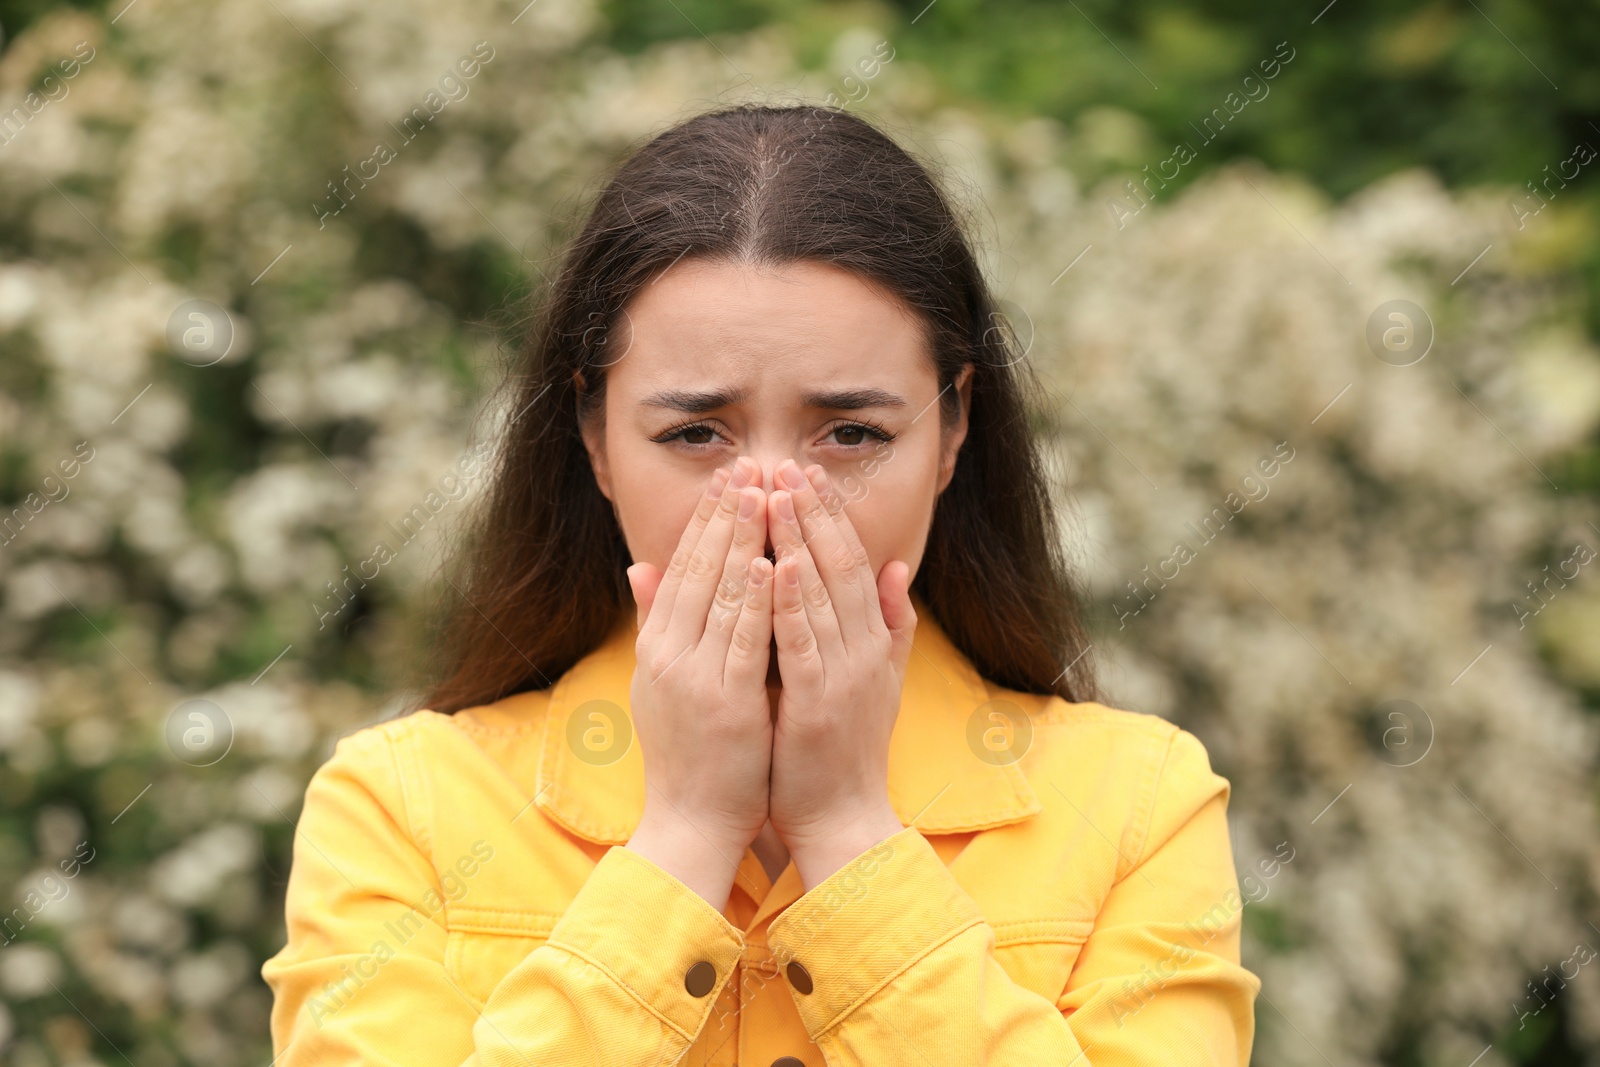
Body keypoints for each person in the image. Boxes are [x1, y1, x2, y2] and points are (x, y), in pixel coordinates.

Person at [261, 103, 1260, 1065]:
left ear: (953, 429)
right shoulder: (402, 808)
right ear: (595, 436)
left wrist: (848, 831)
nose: (774, 502)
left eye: (853, 434)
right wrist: (686, 831)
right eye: (695, 433)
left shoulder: (1136, 806)